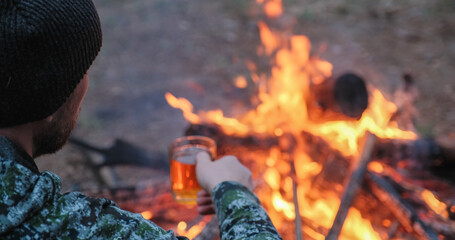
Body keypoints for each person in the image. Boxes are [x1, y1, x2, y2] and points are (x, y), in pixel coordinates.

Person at [0, 0, 282, 239]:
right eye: (82, 71)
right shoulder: (60, 226)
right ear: (50, 98)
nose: (86, 83)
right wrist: (233, 190)